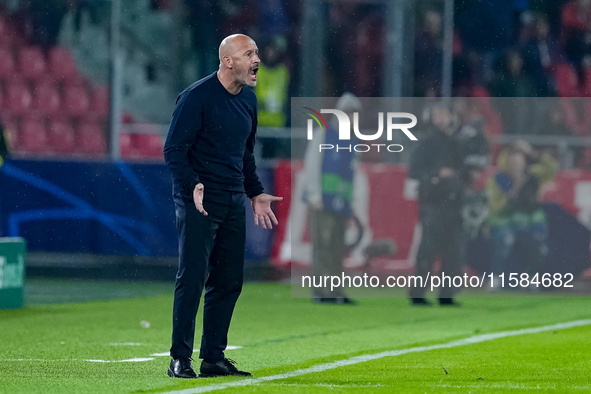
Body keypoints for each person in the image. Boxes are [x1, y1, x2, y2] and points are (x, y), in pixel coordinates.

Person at [163, 34, 282, 379]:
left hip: (232, 199)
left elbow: (244, 153)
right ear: (228, 61)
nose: (257, 58)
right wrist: (193, 184)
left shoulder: (248, 100)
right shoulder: (195, 97)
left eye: (257, 51)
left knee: (228, 281)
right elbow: (173, 151)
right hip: (198, 199)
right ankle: (179, 358)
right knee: (193, 276)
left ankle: (213, 357)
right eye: (249, 53)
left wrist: (255, 192)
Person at [302, 92, 361, 304]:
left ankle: (335, 290)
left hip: (341, 202)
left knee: (337, 247)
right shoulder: (324, 134)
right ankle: (321, 291)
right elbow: (312, 165)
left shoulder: (352, 140)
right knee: (323, 246)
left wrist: (350, 203)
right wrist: (315, 194)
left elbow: (351, 175)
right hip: (323, 201)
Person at [408, 103, 467, 307]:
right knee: (428, 250)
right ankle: (417, 293)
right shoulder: (426, 142)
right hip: (433, 203)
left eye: (444, 115)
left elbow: (467, 170)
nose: (441, 119)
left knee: (453, 252)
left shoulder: (458, 142)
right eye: (437, 115)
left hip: (454, 204)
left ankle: (447, 294)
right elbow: (414, 171)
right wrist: (436, 175)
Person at [485, 141, 558, 287]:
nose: (516, 166)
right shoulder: (498, 180)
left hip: (529, 221)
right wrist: (515, 189)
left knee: (538, 244)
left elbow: (552, 168)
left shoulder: (534, 175)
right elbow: (495, 207)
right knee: (505, 240)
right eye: (512, 162)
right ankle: (496, 278)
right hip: (505, 222)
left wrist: (533, 153)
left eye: (519, 161)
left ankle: (531, 279)